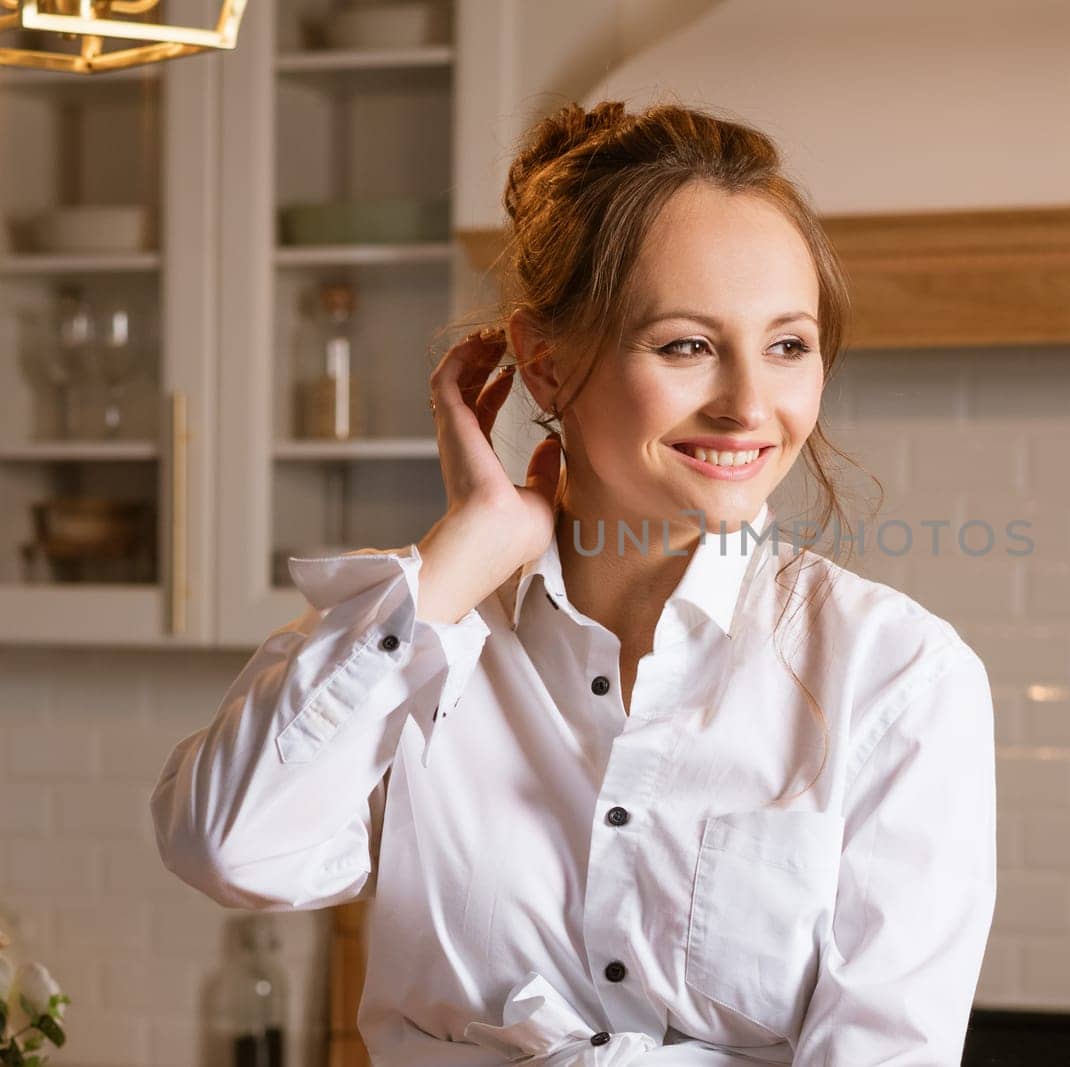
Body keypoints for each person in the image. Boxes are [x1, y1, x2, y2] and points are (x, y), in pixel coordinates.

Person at [150, 100, 997, 1066]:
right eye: (686, 344)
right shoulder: (427, 639)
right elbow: (227, 846)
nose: (750, 406)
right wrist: (461, 555)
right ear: (545, 368)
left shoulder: (899, 677)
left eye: (788, 345)